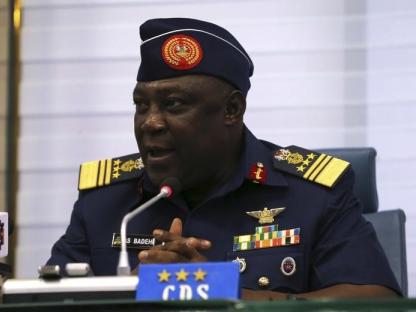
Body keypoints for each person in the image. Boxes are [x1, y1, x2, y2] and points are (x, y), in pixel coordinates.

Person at [47, 17, 401, 299]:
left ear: (232, 110)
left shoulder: (311, 194)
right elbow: (43, 300)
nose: (151, 122)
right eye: (141, 105)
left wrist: (214, 290)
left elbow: (376, 301)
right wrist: (128, 296)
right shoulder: (106, 203)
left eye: (174, 105)